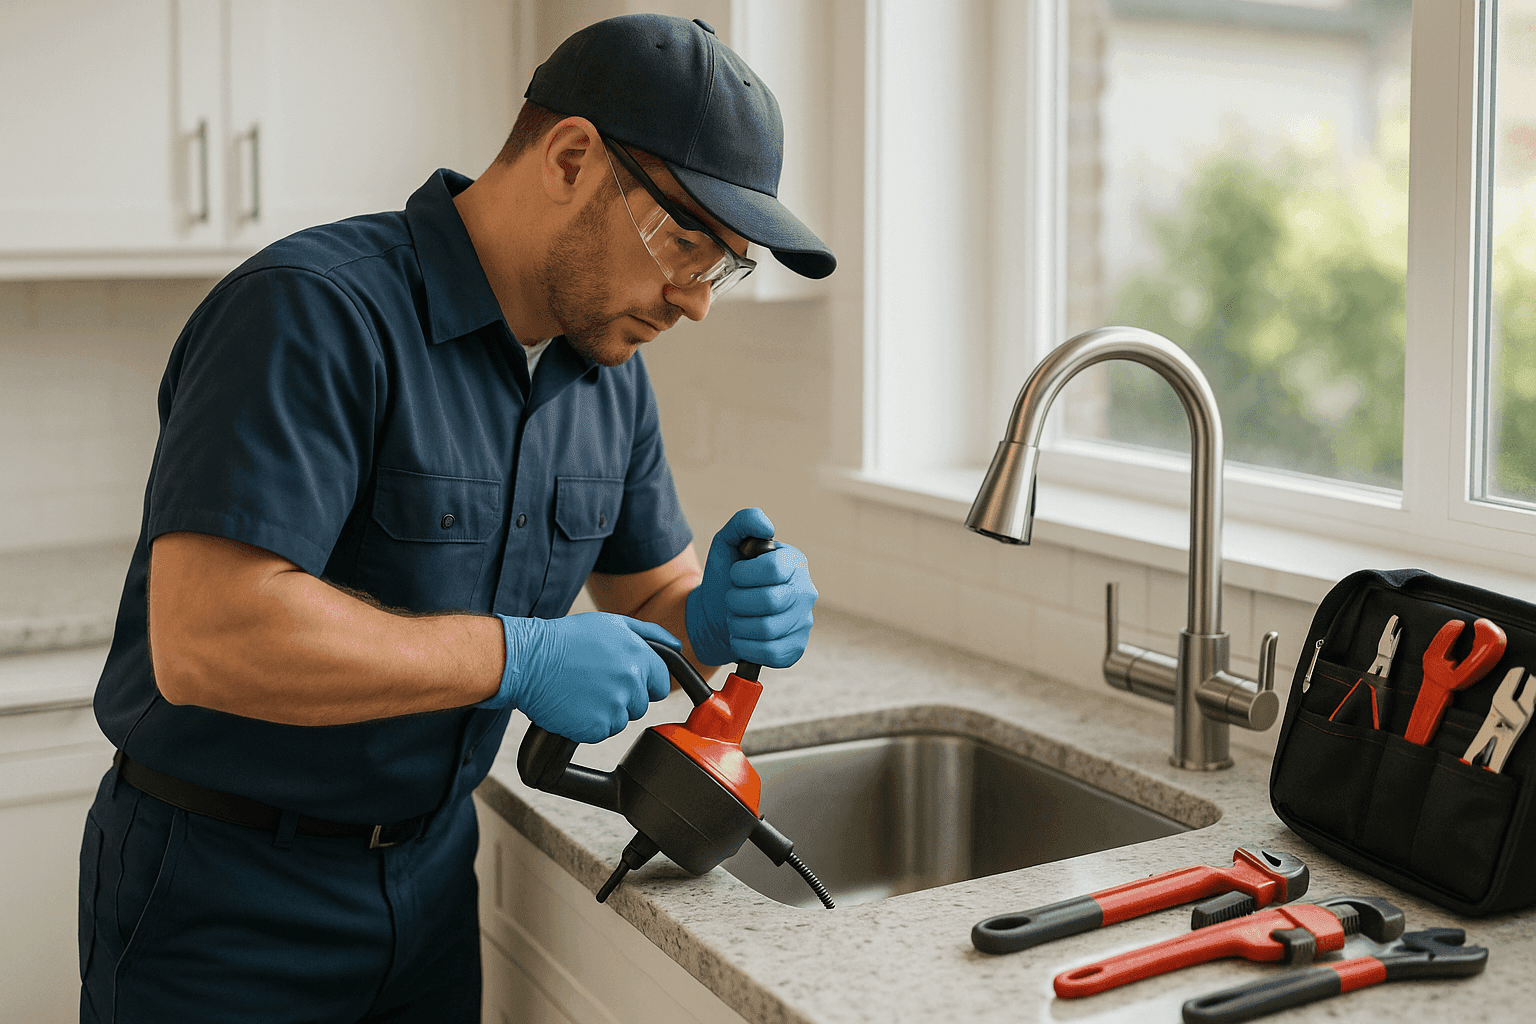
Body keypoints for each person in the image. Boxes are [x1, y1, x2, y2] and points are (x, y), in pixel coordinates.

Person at [77, 13, 834, 1023]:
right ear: (570, 156)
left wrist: (718, 617)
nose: (696, 300)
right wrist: (516, 658)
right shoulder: (311, 313)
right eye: (686, 238)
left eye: (723, 263)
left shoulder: (605, 372)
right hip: (223, 900)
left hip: (430, 889)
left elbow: (652, 593)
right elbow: (208, 637)